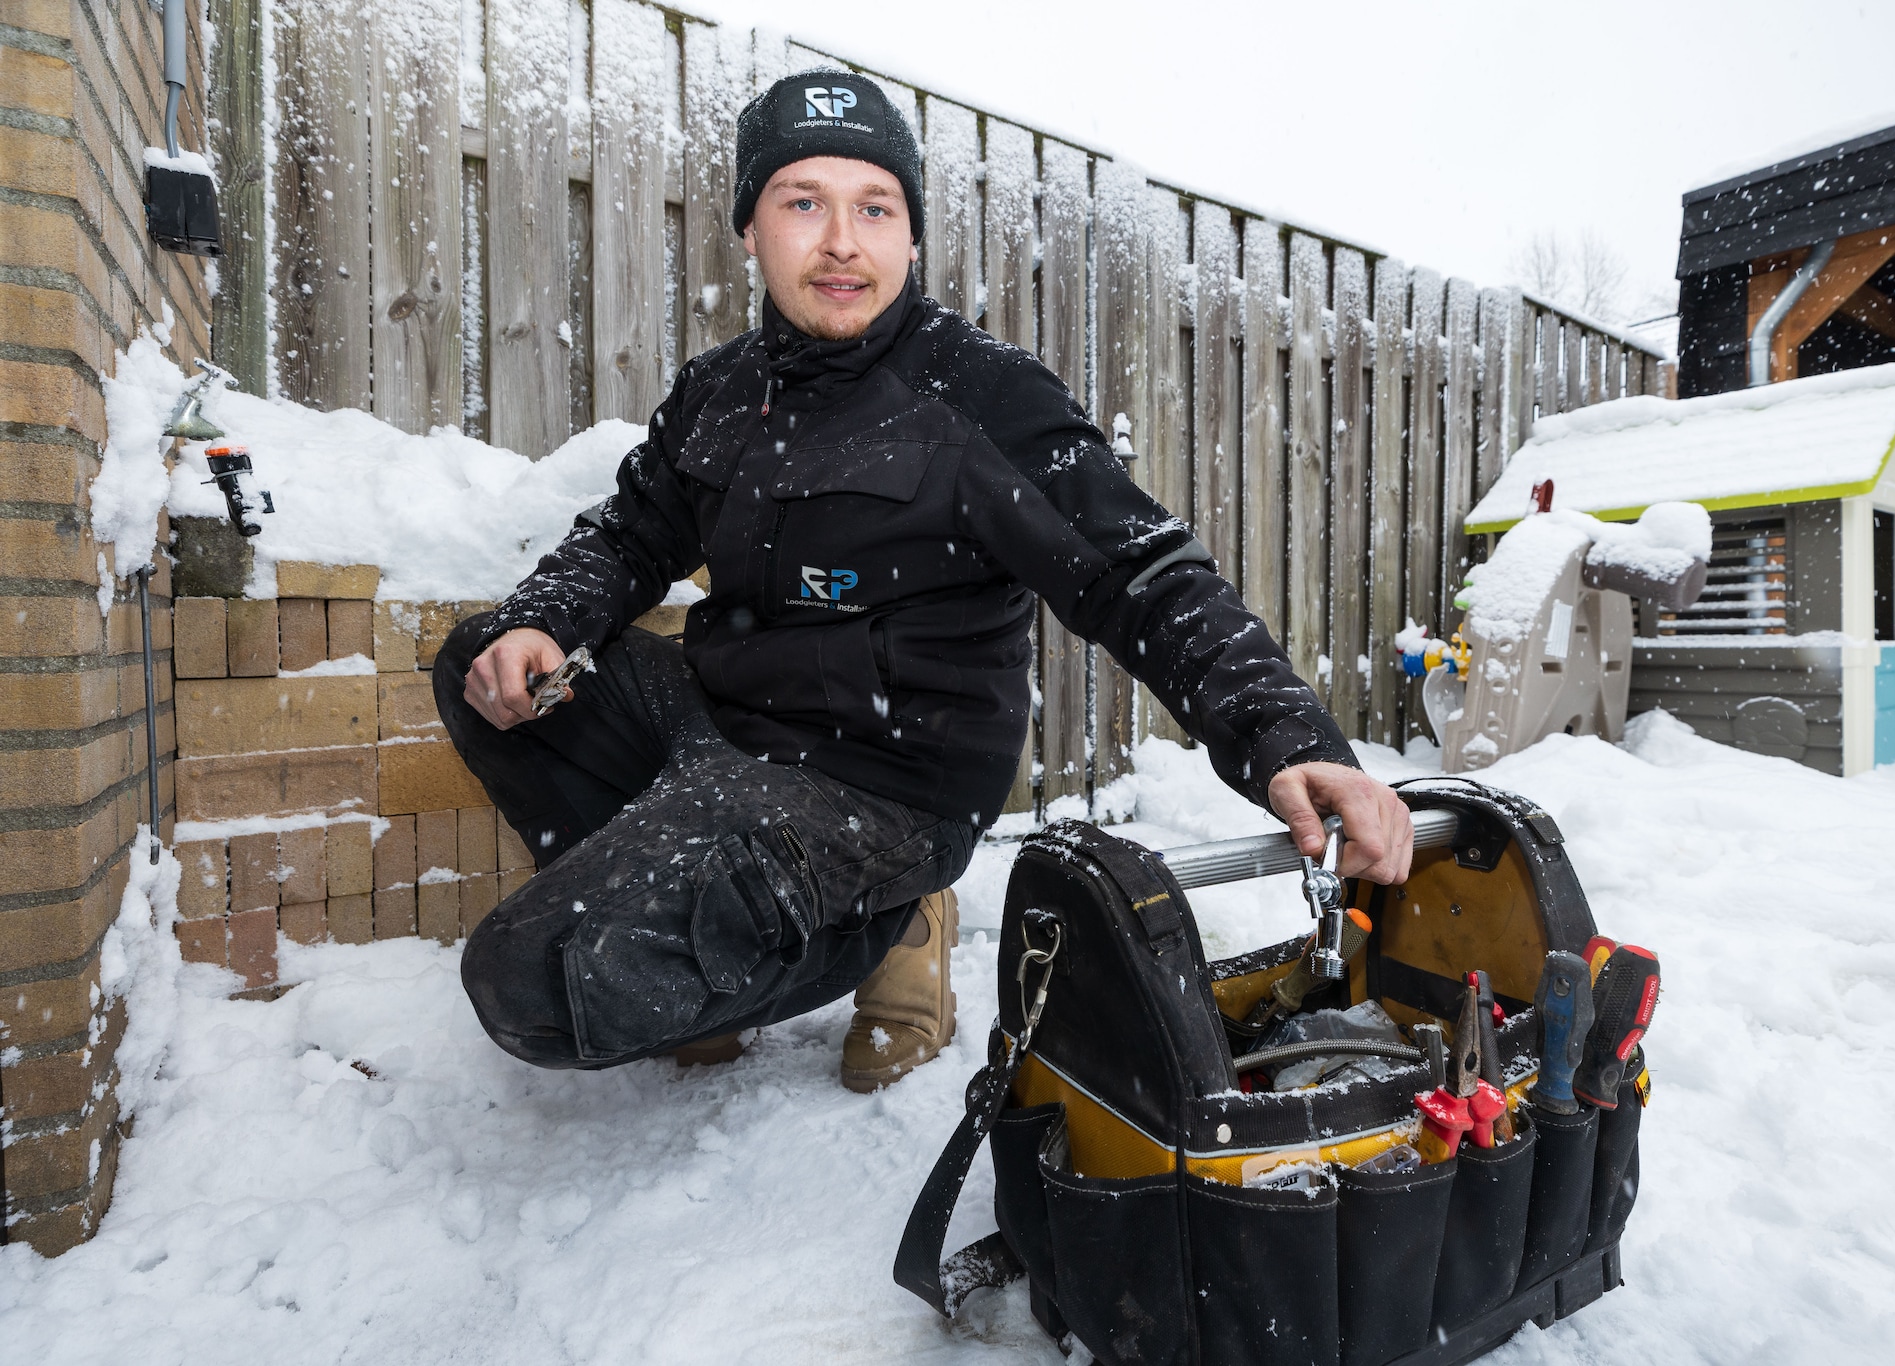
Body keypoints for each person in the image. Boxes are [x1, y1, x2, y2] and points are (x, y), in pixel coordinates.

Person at [436, 70, 1413, 1091]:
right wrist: (542, 623)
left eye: (874, 207)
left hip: (878, 782)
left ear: (909, 235)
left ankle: (886, 920)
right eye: (801, 202)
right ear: (749, 231)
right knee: (482, 660)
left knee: (527, 982)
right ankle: (701, 942)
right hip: (720, 734)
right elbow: (631, 533)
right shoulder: (715, 393)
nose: (841, 241)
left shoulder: (983, 397)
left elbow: (1143, 578)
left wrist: (1289, 740)